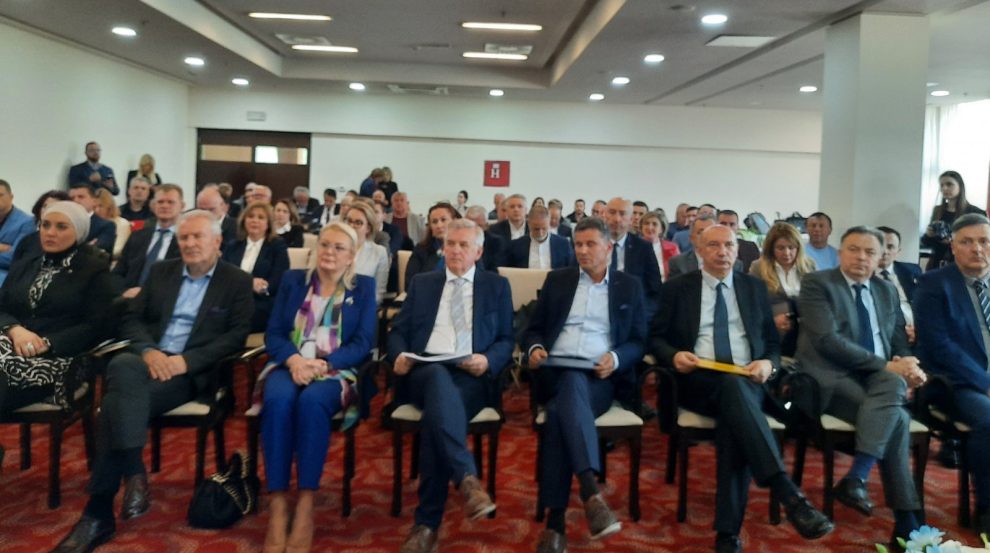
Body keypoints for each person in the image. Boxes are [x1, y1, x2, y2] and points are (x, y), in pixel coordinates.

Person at [53, 211, 253, 553]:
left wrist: (185, 362)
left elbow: (236, 336)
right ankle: (132, 474)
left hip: (187, 374)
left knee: (113, 405)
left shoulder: (236, 281)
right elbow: (131, 318)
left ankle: (98, 513)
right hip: (148, 362)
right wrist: (148, 351)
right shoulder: (162, 271)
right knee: (124, 365)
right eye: (184, 237)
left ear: (217, 241)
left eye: (197, 237)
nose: (189, 243)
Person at [651, 224, 833, 552]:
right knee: (734, 397)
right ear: (699, 250)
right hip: (698, 380)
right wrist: (673, 355)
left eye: (729, 245)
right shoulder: (678, 288)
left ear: (738, 250)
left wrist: (768, 365)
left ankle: (728, 535)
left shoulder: (753, 287)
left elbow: (772, 345)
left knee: (734, 419)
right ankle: (787, 493)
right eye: (714, 245)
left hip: (749, 379)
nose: (722, 252)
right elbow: (655, 337)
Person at [387, 219, 513, 553]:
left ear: (478, 252)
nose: (455, 250)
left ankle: (427, 524)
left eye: (463, 245)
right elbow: (398, 331)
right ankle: (466, 478)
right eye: (450, 244)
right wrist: (398, 355)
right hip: (424, 369)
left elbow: (506, 339)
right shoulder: (423, 283)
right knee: (437, 380)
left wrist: (488, 360)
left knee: (438, 417)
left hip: (471, 375)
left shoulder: (496, 286)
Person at [795, 226, 926, 544]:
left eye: (870, 252)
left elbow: (897, 339)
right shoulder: (817, 284)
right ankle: (905, 519)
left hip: (880, 381)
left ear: (881, 258)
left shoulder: (886, 290)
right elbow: (827, 341)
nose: (861, 257)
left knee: (892, 396)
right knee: (897, 418)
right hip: (830, 376)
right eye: (854, 249)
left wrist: (908, 364)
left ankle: (858, 479)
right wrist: (889, 367)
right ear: (840, 253)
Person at [523, 217, 646, 552]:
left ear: (608, 248)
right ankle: (590, 491)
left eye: (591, 244)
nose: (582, 250)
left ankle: (555, 524)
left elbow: (638, 341)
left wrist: (616, 358)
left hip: (599, 379)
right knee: (568, 388)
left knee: (560, 412)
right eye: (578, 244)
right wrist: (535, 349)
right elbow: (533, 329)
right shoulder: (558, 280)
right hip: (555, 370)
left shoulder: (628, 286)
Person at [260, 222, 377, 553]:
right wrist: (296, 361)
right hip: (291, 364)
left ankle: (306, 503)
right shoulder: (293, 281)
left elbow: (363, 342)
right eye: (325, 244)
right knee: (278, 400)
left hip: (335, 369)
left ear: (351, 256)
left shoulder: (363, 288)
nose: (330, 252)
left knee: (311, 402)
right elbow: (274, 333)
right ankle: (278, 503)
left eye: (339, 247)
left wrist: (325, 364)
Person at [0, 201, 115, 423]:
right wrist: (15, 329)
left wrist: (46, 343)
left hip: (60, 359)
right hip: (11, 347)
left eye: (61, 227)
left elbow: (96, 327)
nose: (50, 233)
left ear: (79, 231)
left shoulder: (93, 269)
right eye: (45, 225)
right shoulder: (27, 263)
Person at [914, 213, 990, 535]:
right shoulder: (934, 284)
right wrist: (986, 384)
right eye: (967, 242)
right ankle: (986, 507)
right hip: (957, 383)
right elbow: (940, 346)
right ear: (953, 247)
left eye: (984, 241)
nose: (977, 248)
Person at [748, 222, 817, 357]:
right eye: (780, 248)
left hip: (805, 333)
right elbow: (751, 306)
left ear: (798, 248)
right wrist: (771, 321)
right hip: (772, 334)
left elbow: (817, 299)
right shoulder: (758, 268)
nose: (787, 253)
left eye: (791, 247)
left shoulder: (809, 265)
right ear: (771, 248)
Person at [222, 202, 290, 333]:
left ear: (268, 223)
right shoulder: (233, 246)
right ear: (244, 220)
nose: (255, 220)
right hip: (231, 300)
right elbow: (223, 275)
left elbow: (277, 280)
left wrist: (261, 287)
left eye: (261, 217)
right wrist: (250, 283)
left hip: (260, 302)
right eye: (251, 216)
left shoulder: (277, 246)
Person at [113, 184, 185, 299]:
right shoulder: (137, 236)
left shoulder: (186, 240)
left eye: (170, 202)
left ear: (182, 206)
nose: (165, 206)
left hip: (165, 300)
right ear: (153, 205)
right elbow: (118, 272)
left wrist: (146, 293)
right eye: (160, 202)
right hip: (129, 299)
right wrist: (124, 291)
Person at [603, 197, 662, 317]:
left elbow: (654, 289)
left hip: (633, 311)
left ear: (631, 220)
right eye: (612, 212)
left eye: (622, 214)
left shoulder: (643, 248)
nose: (617, 219)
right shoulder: (592, 244)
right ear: (604, 216)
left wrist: (644, 314)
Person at [922, 170, 987, 270]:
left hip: (965, 265)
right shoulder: (938, 210)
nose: (944, 188)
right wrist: (929, 235)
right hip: (938, 264)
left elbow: (983, 242)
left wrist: (954, 240)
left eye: (949, 184)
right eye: (942, 185)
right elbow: (927, 242)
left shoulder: (975, 212)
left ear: (960, 186)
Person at [876, 226, 921, 345]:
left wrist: (919, 329)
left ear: (898, 251)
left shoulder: (912, 271)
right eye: (880, 245)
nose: (885, 251)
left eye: (890, 247)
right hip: (884, 335)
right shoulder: (862, 275)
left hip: (917, 332)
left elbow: (924, 304)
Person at [343, 200, 389, 304]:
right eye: (348, 221)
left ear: (368, 228)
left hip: (361, 305)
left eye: (358, 223)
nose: (351, 226)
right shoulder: (332, 247)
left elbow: (378, 293)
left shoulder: (379, 252)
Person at [498, 206, 574, 269]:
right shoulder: (516, 246)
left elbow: (571, 269)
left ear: (549, 224)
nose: (540, 233)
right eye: (536, 229)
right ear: (529, 224)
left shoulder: (563, 244)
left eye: (544, 228)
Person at [405, 202, 460, 285]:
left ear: (455, 221)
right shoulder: (421, 249)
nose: (439, 225)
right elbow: (410, 282)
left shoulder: (468, 248)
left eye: (443, 220)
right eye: (434, 222)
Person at [0, 180, 36, 286]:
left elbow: (14, 258)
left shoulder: (27, 222)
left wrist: (9, 251)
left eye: (0, 195)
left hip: (6, 276)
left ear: (11, 197)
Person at [68, 182, 116, 256]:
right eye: (72, 198)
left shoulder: (106, 226)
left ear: (94, 201)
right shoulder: (63, 224)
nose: (76, 201)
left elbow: (95, 250)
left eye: (81, 197)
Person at [639, 211, 679, 282]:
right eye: (646, 223)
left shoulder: (672, 248)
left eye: (654, 224)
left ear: (661, 229)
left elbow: (678, 273)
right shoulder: (633, 246)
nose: (650, 227)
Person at [196, 185, 237, 252]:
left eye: (211, 209)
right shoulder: (191, 227)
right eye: (202, 210)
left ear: (223, 206)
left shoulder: (237, 227)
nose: (207, 214)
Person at [94, 189, 131, 261]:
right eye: (94, 207)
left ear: (109, 206)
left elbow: (118, 250)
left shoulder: (122, 223)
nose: (97, 210)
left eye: (101, 206)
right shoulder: (91, 222)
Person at [464, 206, 504, 271]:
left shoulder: (496, 242)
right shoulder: (455, 240)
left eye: (478, 226)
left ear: (486, 226)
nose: (473, 229)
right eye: (469, 225)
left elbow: (495, 269)